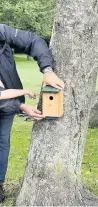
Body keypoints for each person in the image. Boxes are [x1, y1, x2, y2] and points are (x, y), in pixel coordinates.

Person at [0, 24, 65, 203]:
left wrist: (47, 70)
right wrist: (21, 107)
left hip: (6, 96)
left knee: (1, 142)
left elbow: (33, 40)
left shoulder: (2, 32)